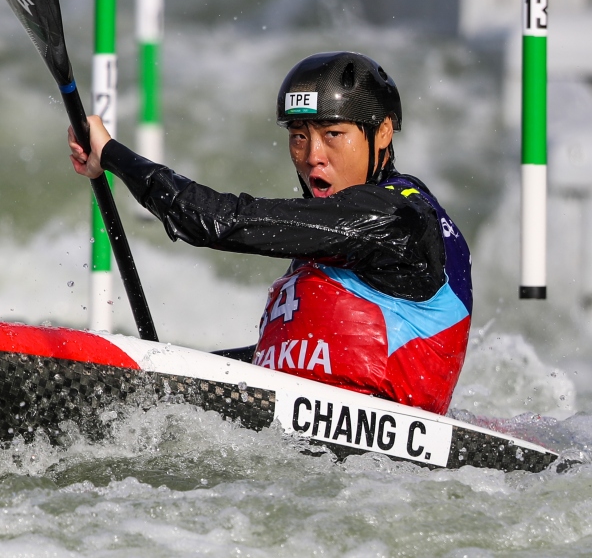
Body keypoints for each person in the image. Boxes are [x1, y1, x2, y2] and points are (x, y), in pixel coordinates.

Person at [68, 51, 472, 415]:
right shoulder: (331, 240)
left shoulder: (397, 219)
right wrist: (171, 376)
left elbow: (218, 222)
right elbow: (277, 363)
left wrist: (112, 155)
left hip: (386, 468)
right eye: (299, 137)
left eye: (333, 135)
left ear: (382, 132)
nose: (313, 155)